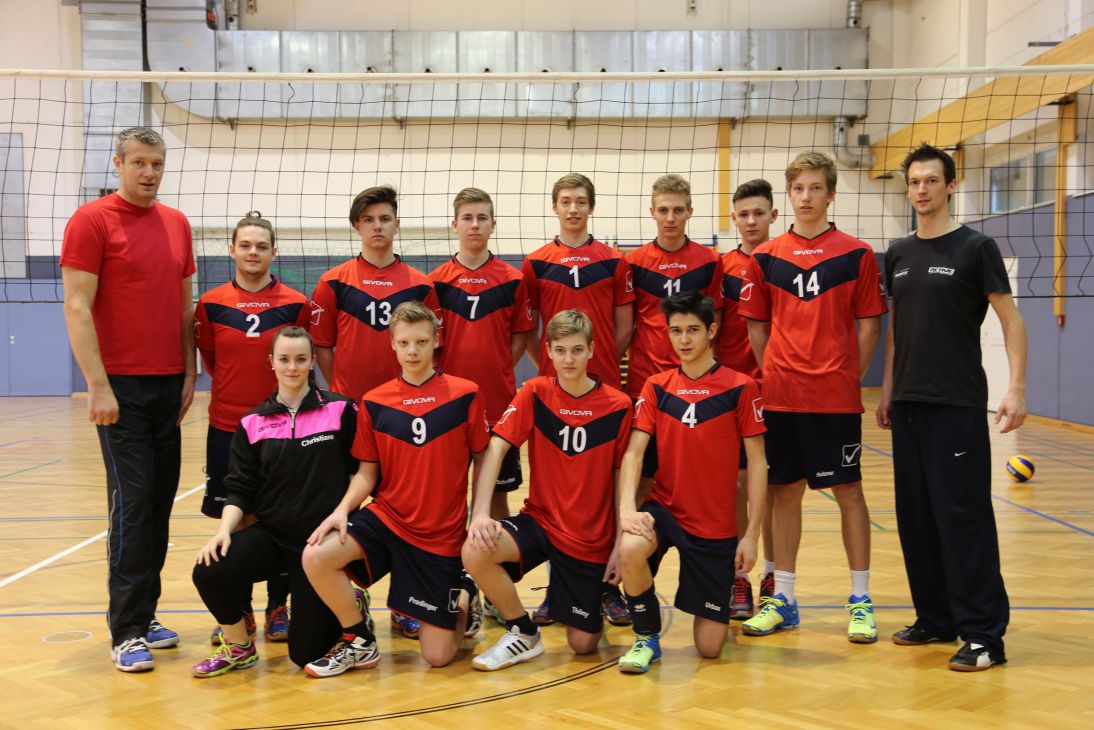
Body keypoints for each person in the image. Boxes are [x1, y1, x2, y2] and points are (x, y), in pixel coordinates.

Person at [877, 143, 1027, 672]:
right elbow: (898, 330)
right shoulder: (898, 253)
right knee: (916, 519)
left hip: (956, 404)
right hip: (908, 405)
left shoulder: (975, 248)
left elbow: (1011, 321)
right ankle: (936, 617)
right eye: (914, 182)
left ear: (950, 186)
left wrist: (1016, 388)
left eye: (931, 181)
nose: (921, 190)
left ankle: (984, 635)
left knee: (963, 519)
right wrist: (888, 389)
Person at [61, 126, 195, 672]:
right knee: (134, 505)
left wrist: (190, 371)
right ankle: (127, 630)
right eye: (139, 162)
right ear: (118, 163)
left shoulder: (177, 223)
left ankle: (147, 613)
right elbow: (76, 305)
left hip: (168, 383)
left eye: (156, 163)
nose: (149, 172)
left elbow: (184, 307)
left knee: (159, 504)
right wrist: (97, 385)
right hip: (121, 388)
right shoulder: (91, 220)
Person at [738, 151, 887, 644]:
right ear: (789, 194)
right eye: (799, 188)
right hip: (782, 398)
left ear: (831, 194)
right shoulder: (765, 257)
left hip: (834, 399)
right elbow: (758, 327)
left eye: (815, 188)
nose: (806, 197)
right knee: (784, 493)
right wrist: (776, 373)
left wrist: (847, 377)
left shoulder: (857, 254)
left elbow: (869, 326)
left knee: (849, 491)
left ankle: (861, 599)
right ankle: (784, 598)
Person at [301, 302, 489, 676]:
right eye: (404, 343)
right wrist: (341, 510)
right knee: (316, 556)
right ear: (392, 344)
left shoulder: (465, 394)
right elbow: (366, 473)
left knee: (437, 657)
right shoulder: (375, 401)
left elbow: (483, 458)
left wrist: (479, 513)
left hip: (439, 536)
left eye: (421, 342)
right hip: (388, 520)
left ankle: (465, 592)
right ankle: (359, 639)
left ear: (437, 341)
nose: (412, 351)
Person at [189, 327, 366, 677]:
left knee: (305, 654)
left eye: (300, 359)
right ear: (271, 362)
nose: (292, 367)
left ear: (312, 362)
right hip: (272, 537)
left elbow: (363, 470)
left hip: (319, 547)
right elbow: (239, 487)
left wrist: (344, 513)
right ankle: (239, 646)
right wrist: (224, 530)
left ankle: (349, 598)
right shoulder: (253, 422)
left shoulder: (341, 410)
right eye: (284, 359)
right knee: (209, 569)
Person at [463, 310, 633, 670]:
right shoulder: (535, 392)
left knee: (583, 645)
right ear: (549, 352)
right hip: (540, 522)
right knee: (475, 550)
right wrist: (479, 514)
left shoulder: (618, 405)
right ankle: (523, 632)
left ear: (591, 350)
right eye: (560, 350)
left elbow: (623, 481)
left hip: (589, 538)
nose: (568, 359)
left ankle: (584, 594)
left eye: (577, 350)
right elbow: (496, 448)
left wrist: (619, 543)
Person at [616, 291, 767, 673]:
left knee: (710, 648)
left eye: (693, 330)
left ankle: (711, 600)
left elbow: (757, 463)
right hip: (666, 509)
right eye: (676, 331)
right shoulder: (657, 386)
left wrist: (751, 534)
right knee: (631, 546)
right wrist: (626, 510)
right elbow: (634, 454)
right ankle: (646, 636)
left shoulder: (741, 386)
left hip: (715, 526)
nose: (684, 339)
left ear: (712, 331)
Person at [520, 173, 635, 625]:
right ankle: (557, 590)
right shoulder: (536, 263)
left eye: (580, 201)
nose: (573, 209)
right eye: (566, 201)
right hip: (554, 398)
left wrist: (599, 363)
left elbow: (624, 326)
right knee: (553, 494)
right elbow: (531, 328)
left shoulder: (614, 261)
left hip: (603, 394)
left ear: (591, 207)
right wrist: (553, 366)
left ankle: (608, 588)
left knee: (604, 491)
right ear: (555, 207)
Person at [195, 211, 310, 644]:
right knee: (236, 518)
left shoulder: (295, 303)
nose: (253, 252)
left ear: (273, 252)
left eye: (261, 246)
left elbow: (300, 361)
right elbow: (212, 361)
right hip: (227, 427)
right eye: (245, 245)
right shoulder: (210, 303)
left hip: (283, 427)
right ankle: (239, 609)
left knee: (283, 517)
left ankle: (278, 607)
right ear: (232, 250)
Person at [429, 187, 533, 522]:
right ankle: (451, 557)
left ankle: (492, 556)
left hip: (497, 401)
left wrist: (498, 367)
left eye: (482, 218)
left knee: (497, 498)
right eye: (467, 218)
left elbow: (520, 337)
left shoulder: (513, 280)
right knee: (448, 494)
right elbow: (431, 345)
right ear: (454, 225)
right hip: (449, 403)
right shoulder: (435, 283)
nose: (474, 225)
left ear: (493, 225)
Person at [309, 184, 442, 407]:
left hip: (405, 404)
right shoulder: (333, 282)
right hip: (350, 404)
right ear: (357, 226)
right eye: (368, 219)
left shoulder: (422, 286)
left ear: (396, 225)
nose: (377, 226)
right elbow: (322, 345)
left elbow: (433, 349)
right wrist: (340, 391)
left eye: (385, 219)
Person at [720, 179, 779, 618]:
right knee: (740, 486)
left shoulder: (786, 261)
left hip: (778, 389)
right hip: (735, 394)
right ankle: (739, 578)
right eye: (744, 214)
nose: (752, 221)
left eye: (759, 213)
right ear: (734, 219)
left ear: (773, 215)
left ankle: (774, 575)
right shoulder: (722, 268)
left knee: (775, 488)